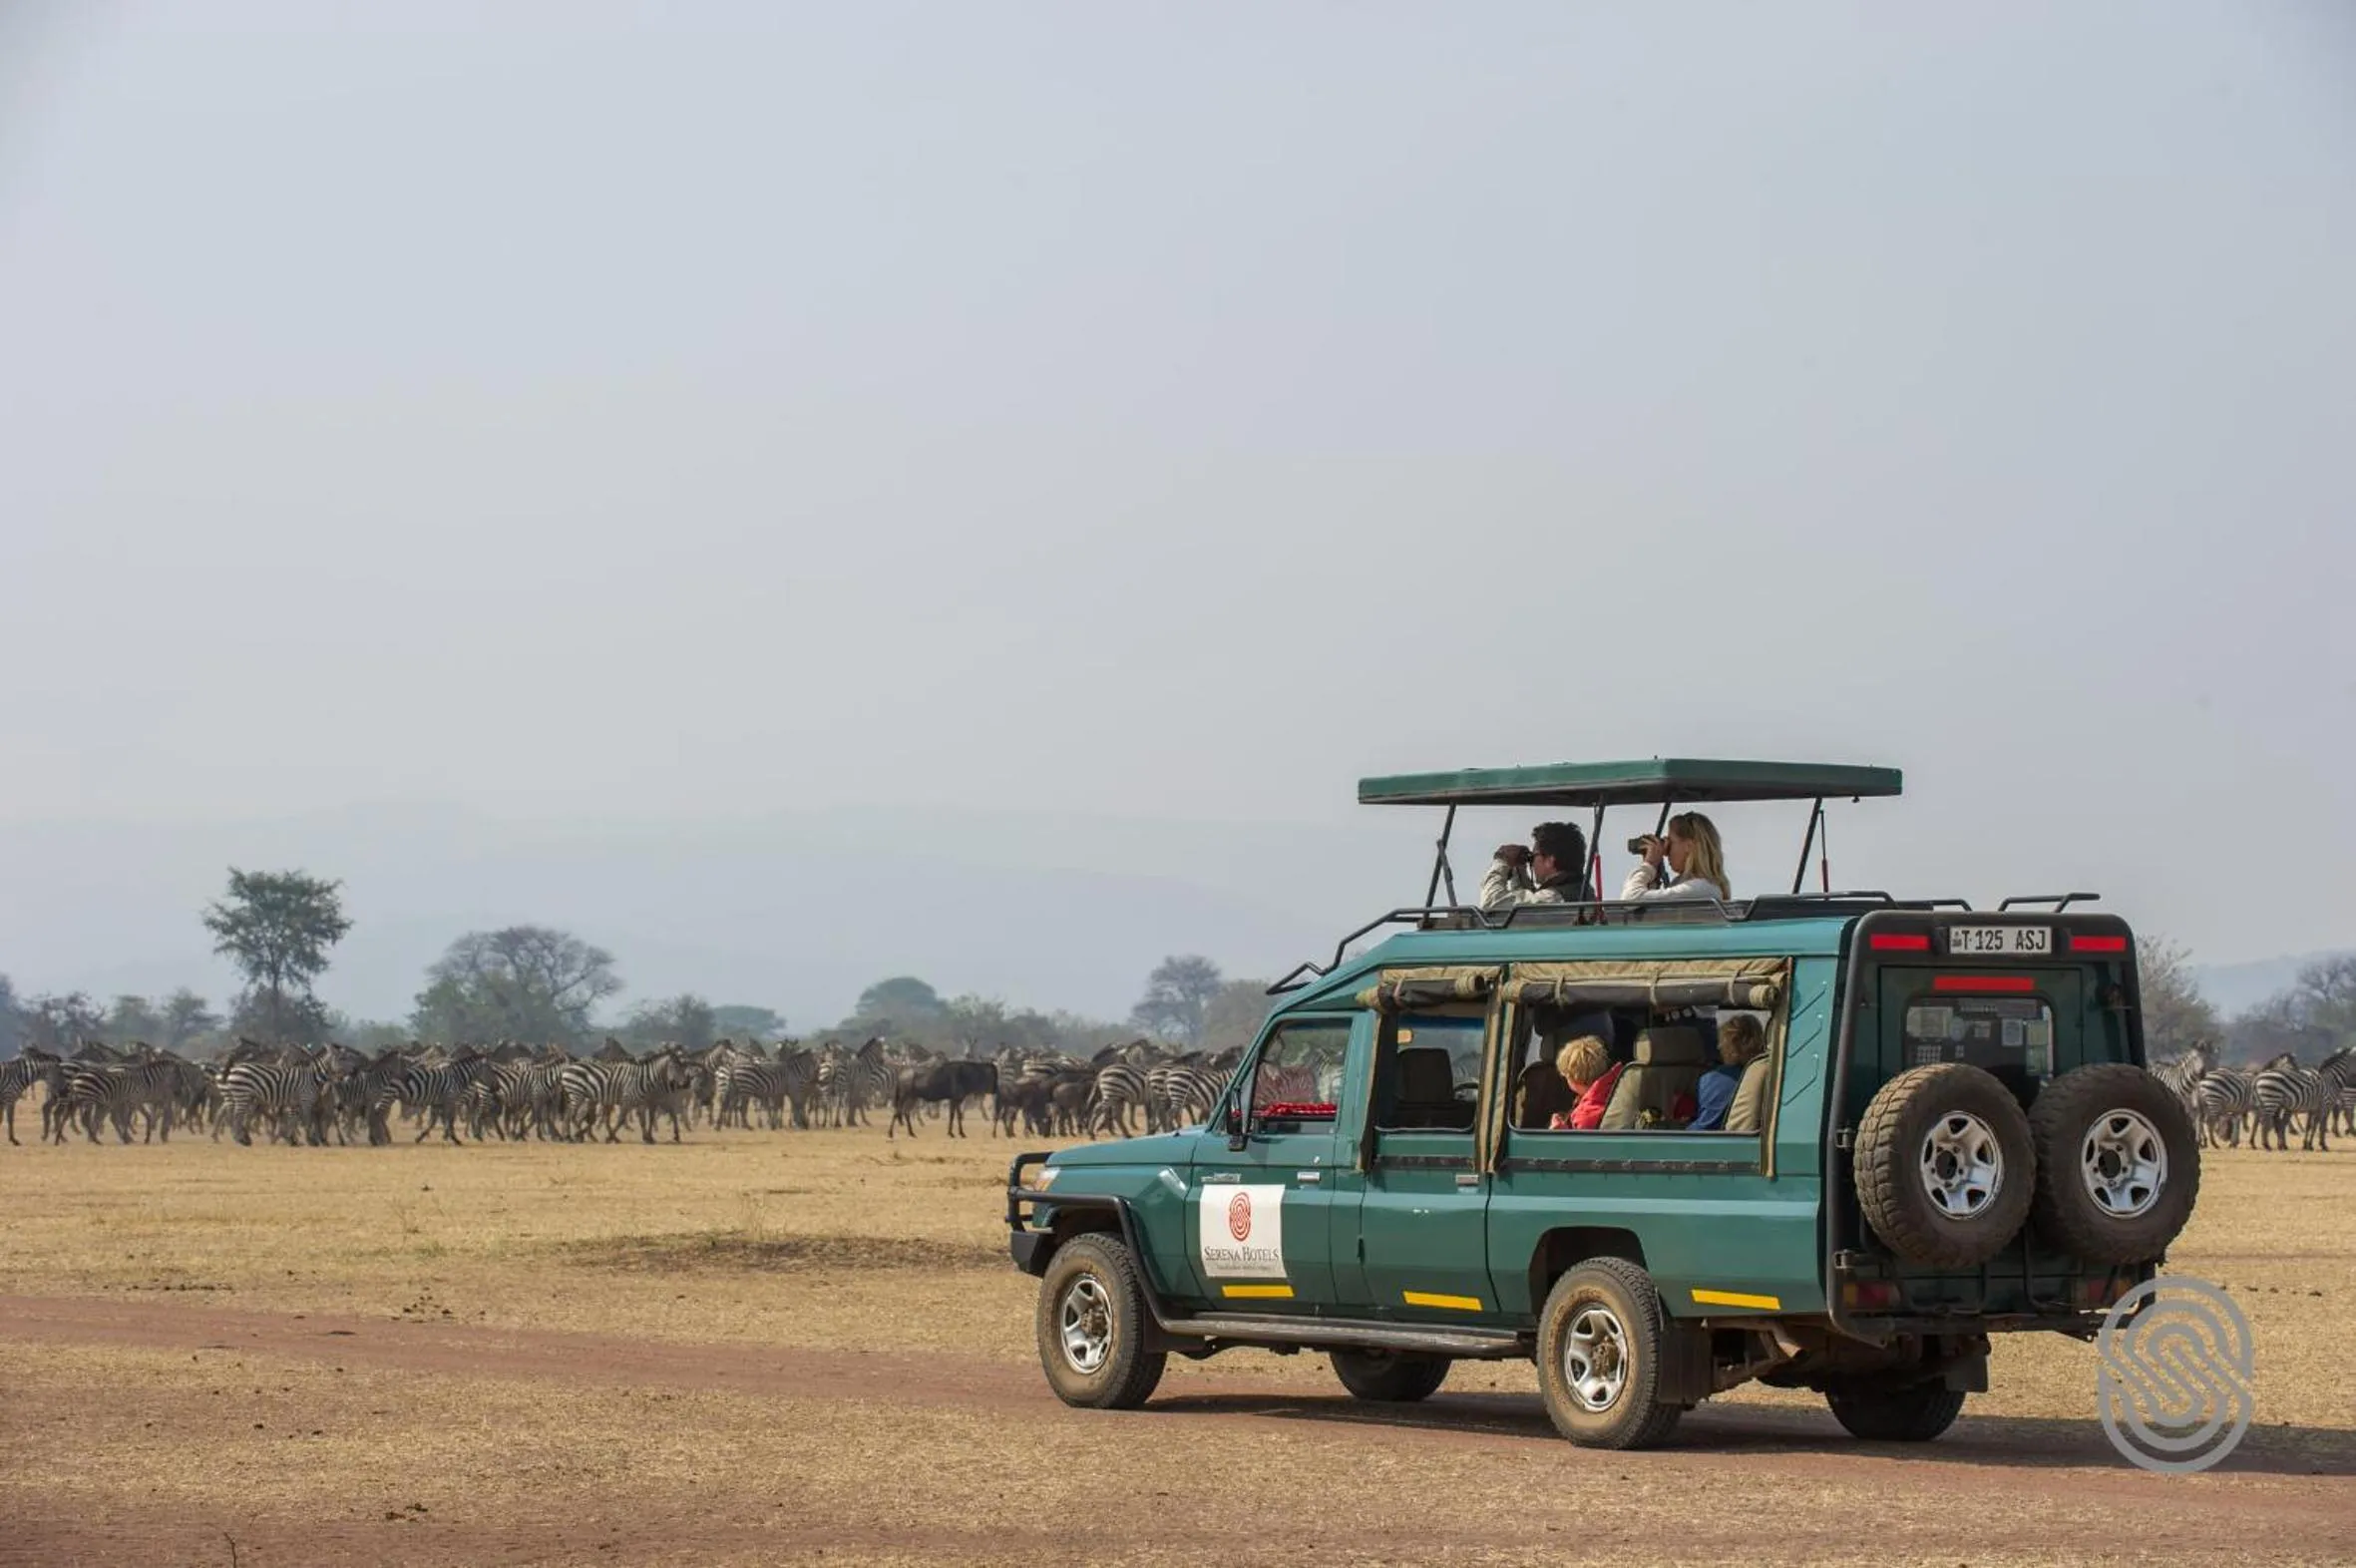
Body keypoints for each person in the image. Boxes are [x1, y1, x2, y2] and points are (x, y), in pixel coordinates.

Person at [1480, 821, 1592, 911]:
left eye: (1534, 856)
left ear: (1549, 860)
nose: (1532, 863)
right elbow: (1525, 904)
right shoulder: (1579, 890)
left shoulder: (1554, 897)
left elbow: (1492, 903)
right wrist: (1519, 870)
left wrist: (1501, 860)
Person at [1622, 811, 1730, 903]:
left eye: (1671, 843)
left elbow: (1630, 900)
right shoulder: (1685, 884)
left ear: (1689, 846)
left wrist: (1649, 865)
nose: (1666, 852)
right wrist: (1652, 879)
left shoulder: (1701, 888)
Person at [1690, 1013, 1766, 1131]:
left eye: (1722, 1040)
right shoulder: (1768, 1070)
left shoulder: (1718, 1080)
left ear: (1733, 1043)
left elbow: (1705, 1128)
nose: (1719, 1046)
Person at [1546, 1034, 1623, 1131]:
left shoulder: (1585, 1116)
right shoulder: (1616, 1088)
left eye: (1566, 1076)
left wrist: (1561, 1132)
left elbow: (1579, 1145)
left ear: (1574, 1078)